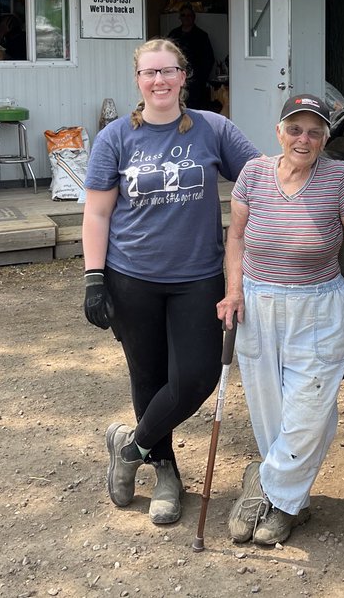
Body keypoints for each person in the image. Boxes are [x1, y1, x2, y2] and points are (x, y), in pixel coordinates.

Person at [81, 37, 260, 526]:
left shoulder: (213, 129)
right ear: (138, 80)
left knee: (195, 377)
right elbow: (97, 212)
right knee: (149, 378)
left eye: (168, 71)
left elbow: (263, 177)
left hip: (199, 277)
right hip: (131, 277)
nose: (159, 81)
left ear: (184, 76)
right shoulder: (115, 138)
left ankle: (130, 448)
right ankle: (165, 472)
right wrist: (94, 278)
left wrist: (321, 176)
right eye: (149, 73)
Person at [216, 93, 344, 545]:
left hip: (318, 305)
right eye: (295, 129)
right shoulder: (252, 174)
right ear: (279, 132)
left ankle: (263, 485)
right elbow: (235, 238)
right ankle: (291, 504)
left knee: (309, 413)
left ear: (325, 138)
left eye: (314, 131)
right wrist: (232, 293)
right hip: (258, 302)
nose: (303, 139)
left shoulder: (340, 178)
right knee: (270, 411)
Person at [166, 5, 216, 110]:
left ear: (194, 17)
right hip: (175, 79)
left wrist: (201, 78)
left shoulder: (202, 35)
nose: (186, 17)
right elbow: (166, 55)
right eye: (183, 15)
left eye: (189, 15)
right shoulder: (173, 34)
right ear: (180, 18)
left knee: (195, 110)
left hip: (196, 83)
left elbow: (209, 59)